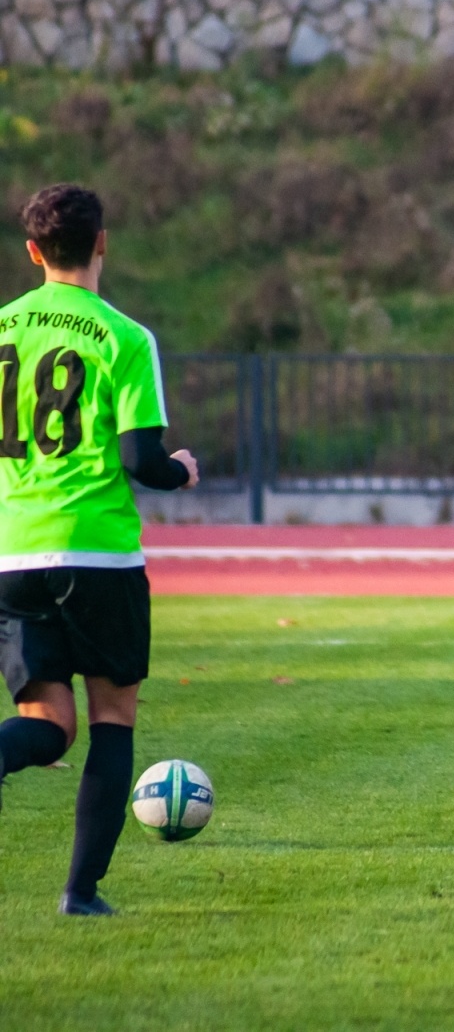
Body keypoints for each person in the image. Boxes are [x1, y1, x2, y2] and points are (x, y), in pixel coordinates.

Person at [0, 184, 199, 915]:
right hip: (99, 552)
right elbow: (142, 461)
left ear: (32, 252)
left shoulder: (2, 329)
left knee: (47, 729)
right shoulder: (123, 337)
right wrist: (182, 469)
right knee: (111, 718)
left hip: (13, 554)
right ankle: (81, 893)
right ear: (103, 242)